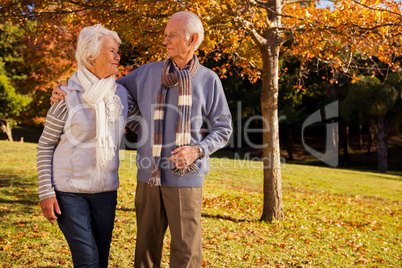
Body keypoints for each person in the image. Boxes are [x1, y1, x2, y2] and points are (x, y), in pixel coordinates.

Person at [51, 11, 232, 267]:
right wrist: (64, 87)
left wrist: (197, 150)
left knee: (186, 252)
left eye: (172, 35)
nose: (165, 41)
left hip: (186, 178)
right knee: (145, 250)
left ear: (192, 39)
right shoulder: (147, 73)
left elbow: (223, 129)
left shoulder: (208, 80)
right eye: (165, 35)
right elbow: (102, 82)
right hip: (149, 177)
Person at [37, 24, 138, 267]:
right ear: (90, 56)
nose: (118, 56)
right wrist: (46, 192)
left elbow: (143, 127)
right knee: (87, 259)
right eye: (111, 51)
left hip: (106, 191)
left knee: (100, 259)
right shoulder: (65, 96)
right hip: (69, 192)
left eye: (117, 51)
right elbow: (45, 146)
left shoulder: (122, 95)